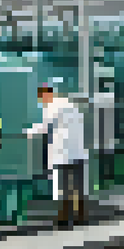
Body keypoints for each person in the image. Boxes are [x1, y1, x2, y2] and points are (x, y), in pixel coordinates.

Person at [27, 84, 88, 227]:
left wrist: (28, 132)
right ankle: (80, 217)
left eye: (41, 98)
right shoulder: (70, 104)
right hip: (78, 152)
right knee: (78, 188)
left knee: (63, 188)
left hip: (63, 154)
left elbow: (44, 127)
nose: (41, 102)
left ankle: (65, 218)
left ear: (44, 95)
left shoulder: (52, 107)